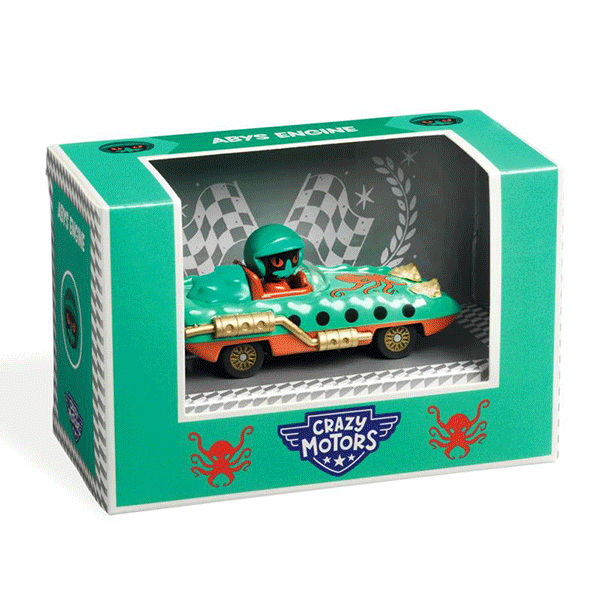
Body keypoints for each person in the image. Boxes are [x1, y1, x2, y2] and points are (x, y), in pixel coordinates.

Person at [243, 224, 310, 294]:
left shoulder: (293, 280)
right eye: (277, 262)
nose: (288, 267)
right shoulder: (272, 288)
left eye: (295, 258)